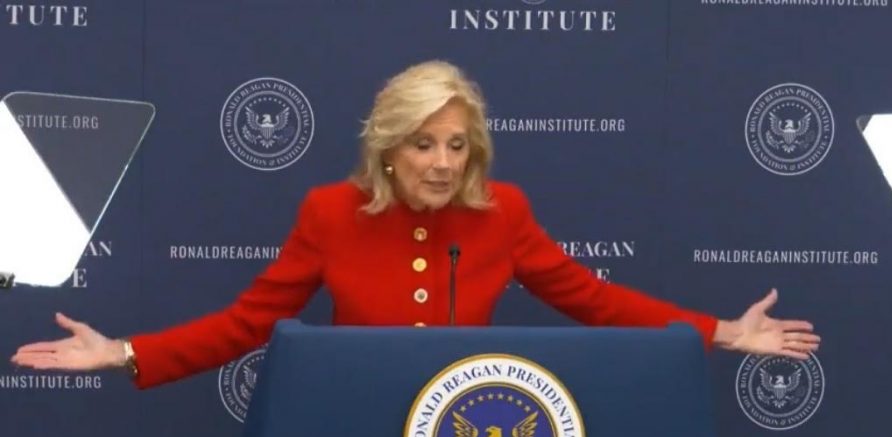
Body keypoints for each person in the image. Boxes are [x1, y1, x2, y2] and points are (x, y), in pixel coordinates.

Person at [10, 60, 820, 388]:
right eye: (423, 144)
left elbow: (595, 301)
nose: (441, 163)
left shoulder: (504, 213)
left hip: (468, 430)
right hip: (350, 429)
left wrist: (722, 332)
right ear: (388, 150)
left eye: (457, 145)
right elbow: (247, 323)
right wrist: (122, 351)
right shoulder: (330, 212)